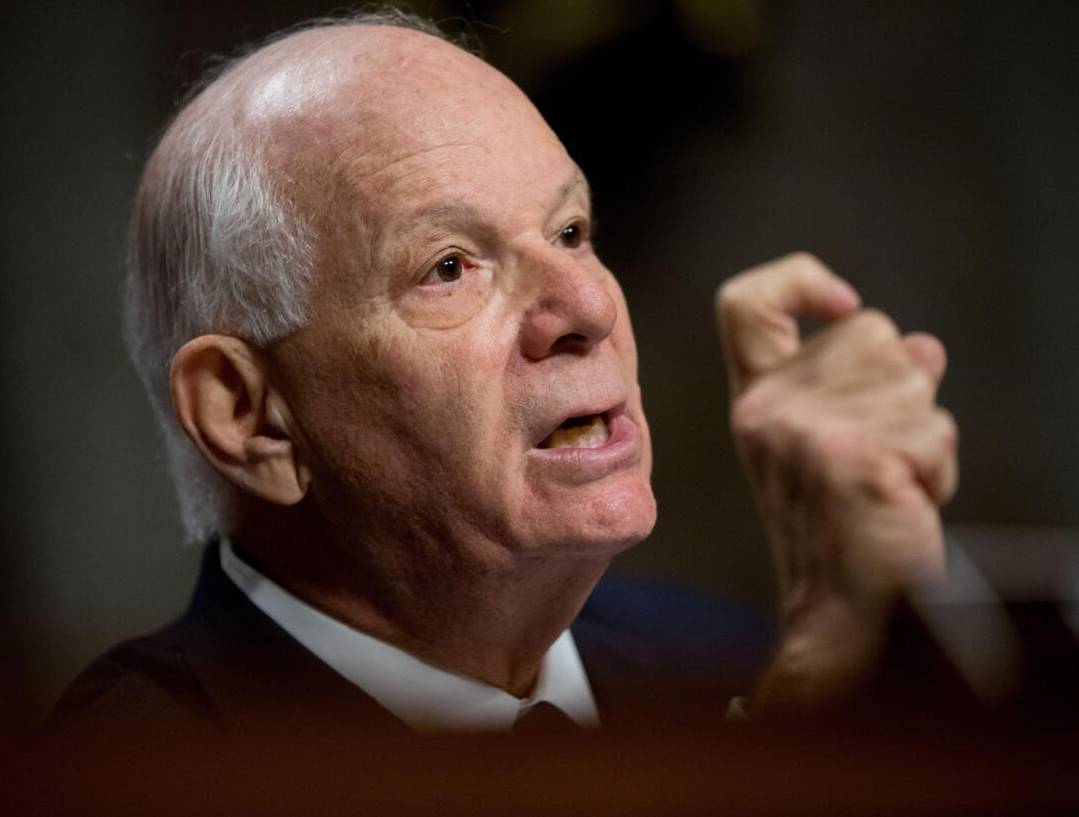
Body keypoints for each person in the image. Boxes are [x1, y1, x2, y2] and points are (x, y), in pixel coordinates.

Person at [53, 10, 956, 736]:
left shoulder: (715, 655)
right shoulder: (139, 762)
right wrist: (807, 713)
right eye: (449, 266)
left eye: (570, 232)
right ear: (250, 415)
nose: (589, 309)